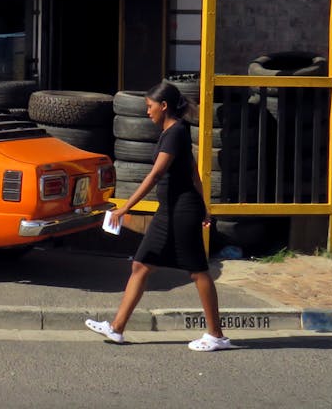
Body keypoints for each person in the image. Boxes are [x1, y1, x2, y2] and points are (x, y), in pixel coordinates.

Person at [84, 80, 232, 352]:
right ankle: (116, 328)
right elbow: (193, 173)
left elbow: (155, 175)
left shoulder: (175, 133)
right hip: (169, 211)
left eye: (150, 107)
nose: (147, 112)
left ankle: (217, 335)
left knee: (198, 271)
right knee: (141, 265)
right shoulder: (172, 132)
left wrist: (125, 207)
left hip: (182, 211)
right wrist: (205, 205)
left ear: (164, 106)